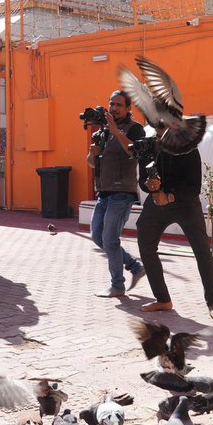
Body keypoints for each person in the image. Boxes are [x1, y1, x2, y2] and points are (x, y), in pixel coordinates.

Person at [135, 125, 213, 321]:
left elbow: (193, 187)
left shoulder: (189, 149)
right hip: (157, 202)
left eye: (164, 134)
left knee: (202, 251)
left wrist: (170, 197)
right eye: (157, 134)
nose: (160, 139)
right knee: (145, 243)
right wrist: (149, 186)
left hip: (185, 205)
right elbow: (143, 179)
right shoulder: (148, 147)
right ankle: (162, 299)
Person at [86, 90, 147, 298]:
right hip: (103, 193)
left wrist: (115, 130)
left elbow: (133, 151)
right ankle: (134, 266)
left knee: (110, 239)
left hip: (122, 193)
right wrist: (92, 154)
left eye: (119, 105)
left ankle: (117, 285)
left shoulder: (135, 129)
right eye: (111, 104)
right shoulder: (101, 132)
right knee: (97, 236)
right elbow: (91, 162)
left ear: (129, 108)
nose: (113, 108)